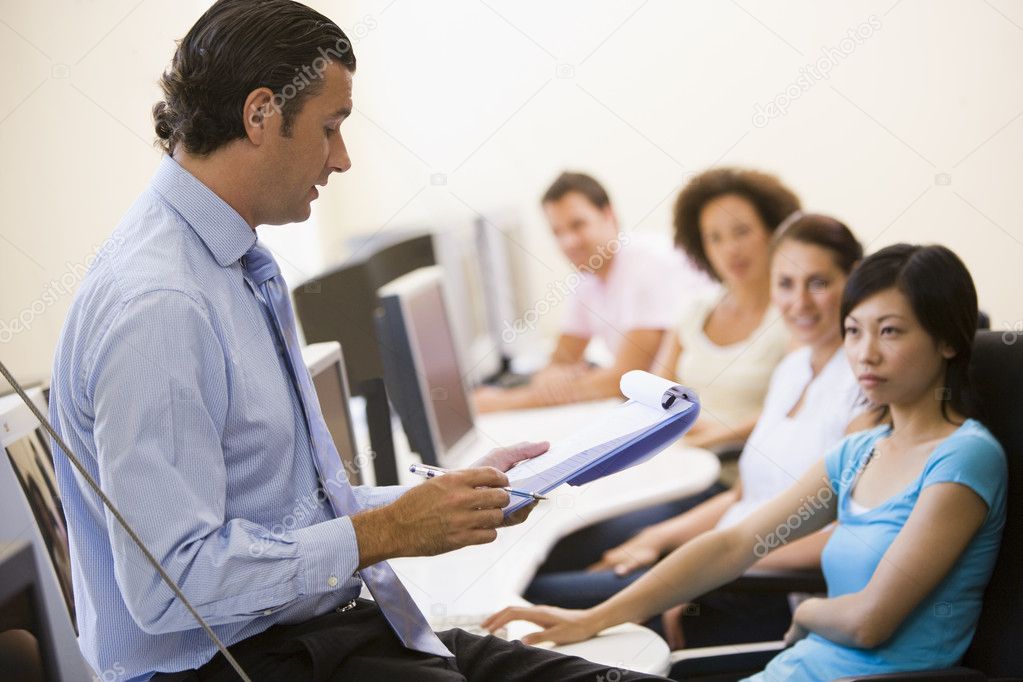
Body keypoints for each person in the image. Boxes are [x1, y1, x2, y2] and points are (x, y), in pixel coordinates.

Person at [47, 2, 666, 680]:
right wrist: (390, 531)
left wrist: (438, 502)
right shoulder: (161, 303)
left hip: (317, 636)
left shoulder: (234, 265)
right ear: (259, 115)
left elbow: (291, 517)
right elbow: (171, 583)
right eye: (330, 128)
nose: (341, 159)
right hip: (234, 665)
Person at [485, 243, 1007, 681]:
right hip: (798, 667)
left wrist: (807, 612)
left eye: (890, 331)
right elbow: (736, 542)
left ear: (948, 341)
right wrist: (590, 619)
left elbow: (871, 623)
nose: (865, 353)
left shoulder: (964, 458)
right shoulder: (859, 452)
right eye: (854, 330)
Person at [525, 215, 869, 650]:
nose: (799, 302)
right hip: (724, 561)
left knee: (542, 594)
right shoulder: (792, 371)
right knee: (558, 578)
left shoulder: (862, 387)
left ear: (854, 279)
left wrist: (705, 572)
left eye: (818, 283)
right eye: (785, 284)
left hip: (763, 590)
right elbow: (744, 496)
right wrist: (661, 538)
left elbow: (848, 536)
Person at [474, 172, 707, 412]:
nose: (568, 242)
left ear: (609, 216)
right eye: (557, 232)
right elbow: (561, 361)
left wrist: (500, 402)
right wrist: (554, 378)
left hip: (697, 410)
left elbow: (626, 380)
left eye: (578, 225)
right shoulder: (588, 276)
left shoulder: (648, 263)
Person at [659, 168, 799, 450]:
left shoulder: (796, 315)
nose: (730, 249)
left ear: (774, 232)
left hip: (738, 469)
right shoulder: (692, 310)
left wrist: (703, 439)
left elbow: (794, 412)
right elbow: (655, 394)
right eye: (715, 237)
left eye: (742, 231)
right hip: (679, 462)